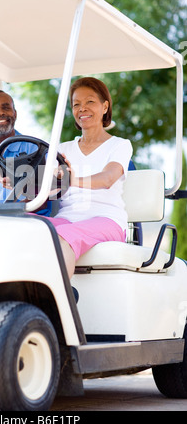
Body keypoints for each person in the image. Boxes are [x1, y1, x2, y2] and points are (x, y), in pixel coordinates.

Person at [42, 77, 133, 279]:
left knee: (61, 237)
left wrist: (72, 180)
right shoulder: (62, 149)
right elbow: (47, 188)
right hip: (68, 219)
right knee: (25, 226)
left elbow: (108, 178)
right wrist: (15, 183)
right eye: (76, 104)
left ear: (104, 106)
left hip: (107, 220)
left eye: (90, 101)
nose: (82, 108)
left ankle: (59, 304)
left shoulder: (120, 145)